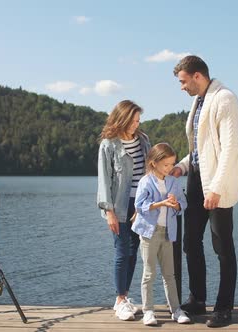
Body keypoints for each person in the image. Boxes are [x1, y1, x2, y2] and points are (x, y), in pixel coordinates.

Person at [170, 55, 238, 328]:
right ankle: (198, 300)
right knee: (191, 242)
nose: (182, 87)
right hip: (197, 180)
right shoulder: (198, 101)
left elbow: (229, 149)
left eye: (183, 81)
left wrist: (216, 188)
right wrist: (181, 167)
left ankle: (224, 309)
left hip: (217, 185)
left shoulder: (225, 98)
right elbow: (202, 150)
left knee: (222, 246)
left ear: (197, 76)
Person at [97, 100, 150, 321]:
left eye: (138, 121)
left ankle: (125, 297)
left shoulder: (144, 141)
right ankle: (120, 300)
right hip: (119, 206)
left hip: (141, 205)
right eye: (133, 120)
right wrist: (108, 211)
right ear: (122, 119)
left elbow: (150, 171)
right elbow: (104, 181)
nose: (136, 125)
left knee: (134, 250)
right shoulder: (109, 145)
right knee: (122, 251)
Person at [131, 143, 191, 326]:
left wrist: (176, 204)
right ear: (154, 163)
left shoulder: (173, 181)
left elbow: (183, 203)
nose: (170, 168)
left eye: (172, 164)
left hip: (168, 232)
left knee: (169, 274)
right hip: (150, 233)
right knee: (149, 274)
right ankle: (149, 311)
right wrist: (162, 203)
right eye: (166, 165)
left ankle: (176, 310)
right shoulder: (146, 182)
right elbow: (140, 206)